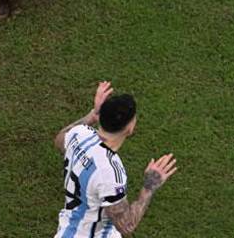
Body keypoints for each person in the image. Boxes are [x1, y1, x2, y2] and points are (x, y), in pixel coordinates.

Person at [52, 81, 178, 237]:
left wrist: (92, 115)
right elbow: (126, 225)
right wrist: (149, 186)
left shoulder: (80, 134)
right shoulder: (110, 172)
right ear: (130, 128)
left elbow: (59, 140)